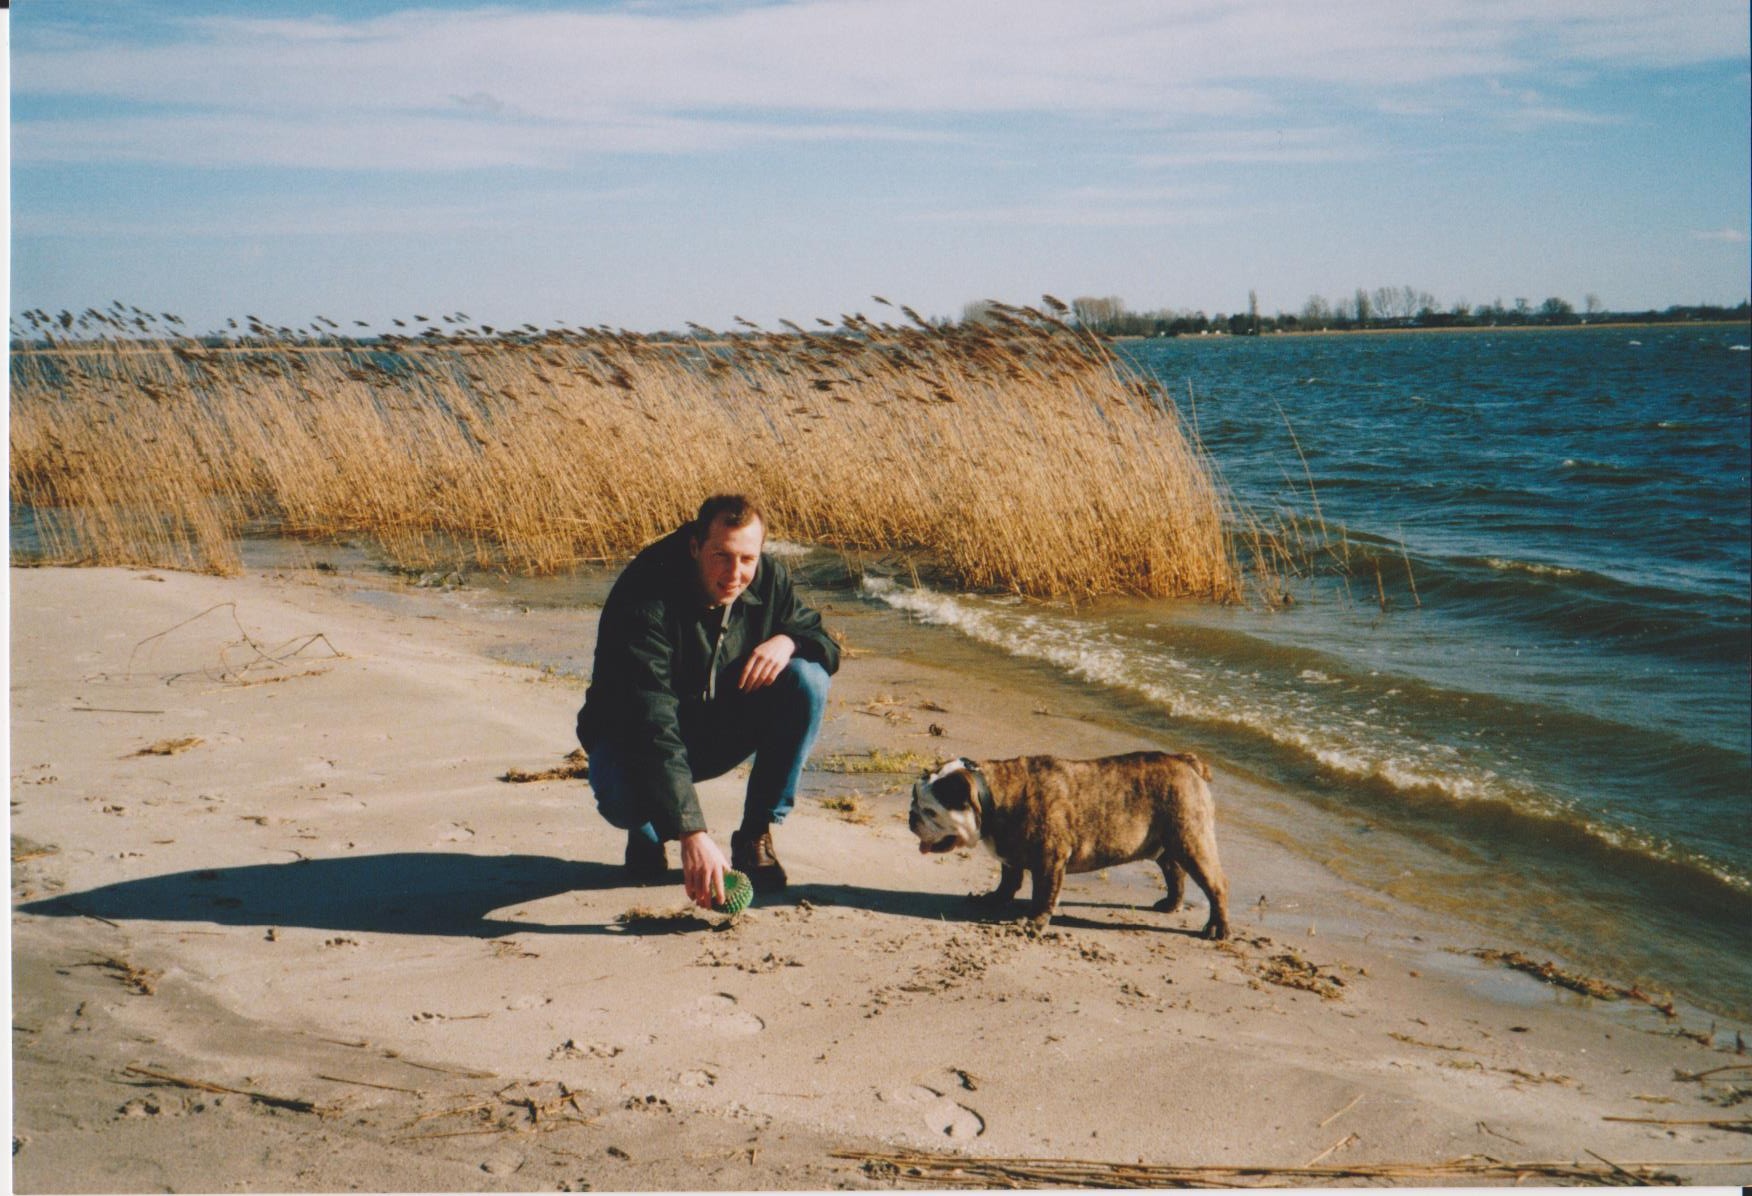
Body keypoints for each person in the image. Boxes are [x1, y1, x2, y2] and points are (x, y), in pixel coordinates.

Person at [576, 495, 838, 910]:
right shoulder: (645, 597)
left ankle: (754, 835)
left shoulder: (768, 578)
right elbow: (652, 720)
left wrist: (789, 640)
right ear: (696, 546)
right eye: (722, 556)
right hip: (631, 741)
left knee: (808, 679)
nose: (735, 574)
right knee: (620, 797)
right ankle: (647, 825)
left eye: (747, 559)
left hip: (715, 727)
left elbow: (824, 640)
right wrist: (691, 833)